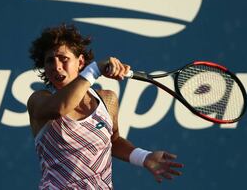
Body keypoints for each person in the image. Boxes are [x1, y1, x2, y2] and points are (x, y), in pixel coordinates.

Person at [27, 24, 184, 189]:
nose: (57, 66)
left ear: (80, 62)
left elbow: (113, 141)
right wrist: (95, 69)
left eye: (63, 58)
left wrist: (144, 157)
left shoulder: (107, 100)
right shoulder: (39, 101)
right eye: (50, 61)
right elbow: (61, 107)